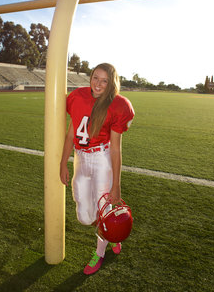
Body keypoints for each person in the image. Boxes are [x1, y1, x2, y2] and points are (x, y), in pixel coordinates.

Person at [60, 63, 134, 275]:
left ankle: (100, 252)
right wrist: (63, 162)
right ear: (90, 77)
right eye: (96, 78)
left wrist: (116, 186)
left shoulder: (118, 104)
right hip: (81, 159)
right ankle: (110, 232)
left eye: (104, 80)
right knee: (84, 215)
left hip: (102, 159)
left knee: (105, 210)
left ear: (111, 83)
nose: (98, 84)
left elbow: (116, 149)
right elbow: (70, 133)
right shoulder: (77, 96)